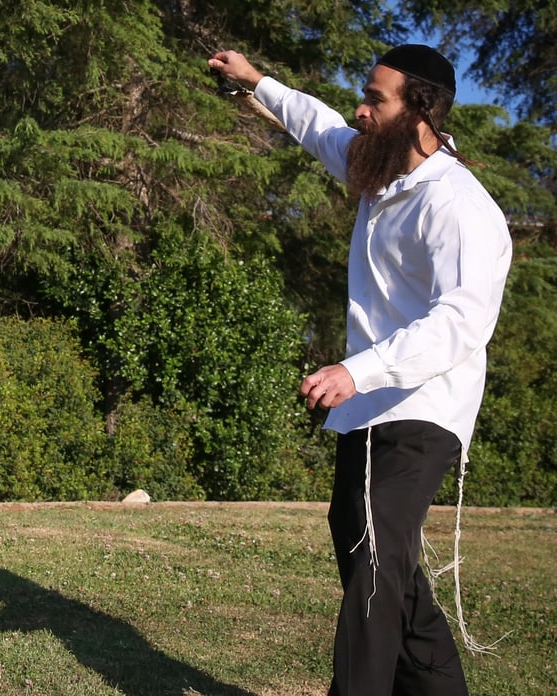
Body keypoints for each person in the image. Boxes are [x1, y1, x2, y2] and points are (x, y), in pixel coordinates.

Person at [207, 45, 512, 695]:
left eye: (375, 99)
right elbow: (315, 123)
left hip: (425, 405)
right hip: (368, 405)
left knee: (375, 564)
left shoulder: (458, 204)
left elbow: (461, 321)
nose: (360, 108)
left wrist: (358, 369)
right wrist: (255, 81)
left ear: (421, 109)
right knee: (371, 555)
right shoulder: (377, 165)